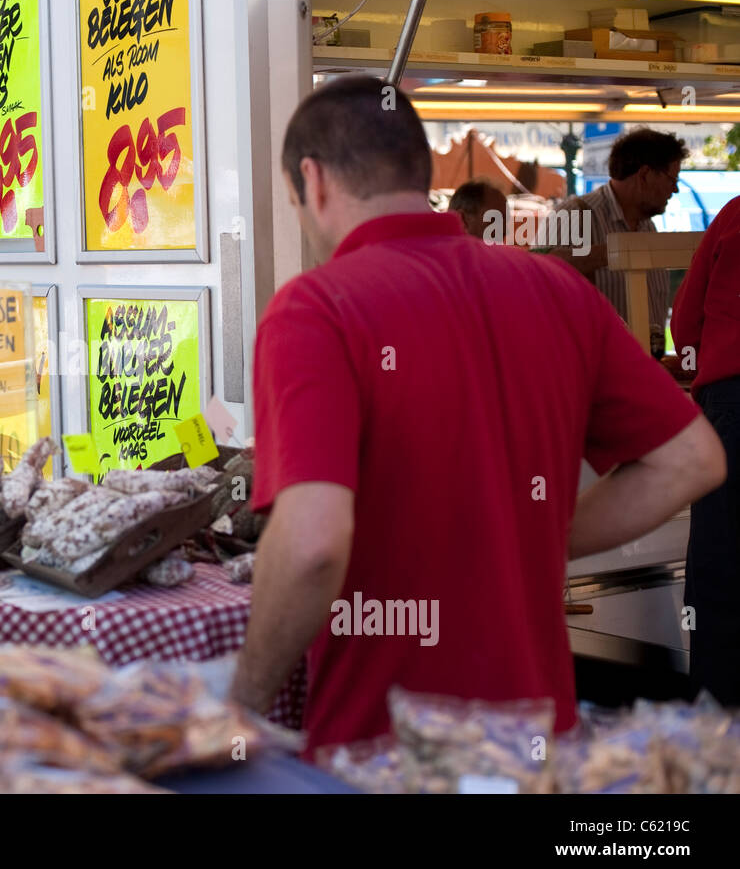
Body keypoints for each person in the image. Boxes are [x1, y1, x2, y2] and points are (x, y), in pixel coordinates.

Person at [231, 76, 724, 757]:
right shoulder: (552, 288)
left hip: (385, 754)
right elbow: (694, 458)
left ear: (312, 182)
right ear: (419, 171)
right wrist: (534, 530)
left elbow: (313, 543)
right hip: (538, 748)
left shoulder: (314, 309)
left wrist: (241, 702)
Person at [669, 194, 740, 706]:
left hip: (730, 405)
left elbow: (686, 319)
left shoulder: (734, 213)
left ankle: (716, 741)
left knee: (720, 576)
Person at [540, 127, 686, 332]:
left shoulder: (647, 226)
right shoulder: (574, 214)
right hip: (594, 363)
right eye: (672, 179)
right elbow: (540, 278)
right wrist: (616, 252)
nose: (675, 189)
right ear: (644, 175)